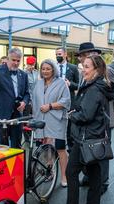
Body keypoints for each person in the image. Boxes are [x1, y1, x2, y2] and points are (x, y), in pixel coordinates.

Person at [56, 55, 114, 204]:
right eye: (83, 65)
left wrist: (72, 114)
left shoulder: (94, 88)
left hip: (85, 138)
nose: (83, 69)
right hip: (94, 136)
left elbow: (86, 115)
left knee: (72, 173)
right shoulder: (98, 85)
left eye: (87, 66)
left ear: (96, 69)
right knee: (94, 171)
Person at [76, 42, 114, 191]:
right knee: (88, 149)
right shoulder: (84, 70)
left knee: (101, 151)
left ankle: (103, 182)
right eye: (81, 56)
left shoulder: (106, 70)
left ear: (92, 54)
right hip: (89, 119)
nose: (82, 59)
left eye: (84, 55)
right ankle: (89, 176)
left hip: (103, 119)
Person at [32, 59, 70, 187]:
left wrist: (50, 106)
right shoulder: (38, 83)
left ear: (54, 70)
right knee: (47, 146)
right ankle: (50, 171)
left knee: (60, 148)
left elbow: (66, 101)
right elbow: (35, 102)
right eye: (43, 69)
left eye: (48, 69)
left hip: (57, 120)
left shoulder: (61, 83)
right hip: (41, 119)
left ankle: (64, 176)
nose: (45, 71)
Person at [0, 48, 30, 148]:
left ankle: (17, 164)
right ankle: (2, 164)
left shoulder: (23, 75)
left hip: (17, 115)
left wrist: (24, 102)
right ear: (8, 59)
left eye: (18, 61)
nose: (16, 63)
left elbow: (27, 93)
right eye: (13, 60)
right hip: (0, 114)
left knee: (16, 146)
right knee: (1, 146)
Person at [55, 47, 79, 151]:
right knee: (57, 126)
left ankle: (71, 149)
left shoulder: (73, 68)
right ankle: (58, 148)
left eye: (59, 54)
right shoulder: (53, 67)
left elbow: (78, 85)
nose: (58, 56)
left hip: (69, 101)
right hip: (56, 101)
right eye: (56, 54)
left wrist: (70, 84)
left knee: (69, 127)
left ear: (65, 54)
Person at [24, 56, 39, 142]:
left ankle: (34, 135)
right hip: (27, 99)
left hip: (36, 99)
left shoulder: (37, 73)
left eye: (33, 64)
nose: (32, 66)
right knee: (26, 119)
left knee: (34, 118)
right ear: (27, 64)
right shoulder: (23, 73)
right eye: (30, 65)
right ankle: (27, 137)